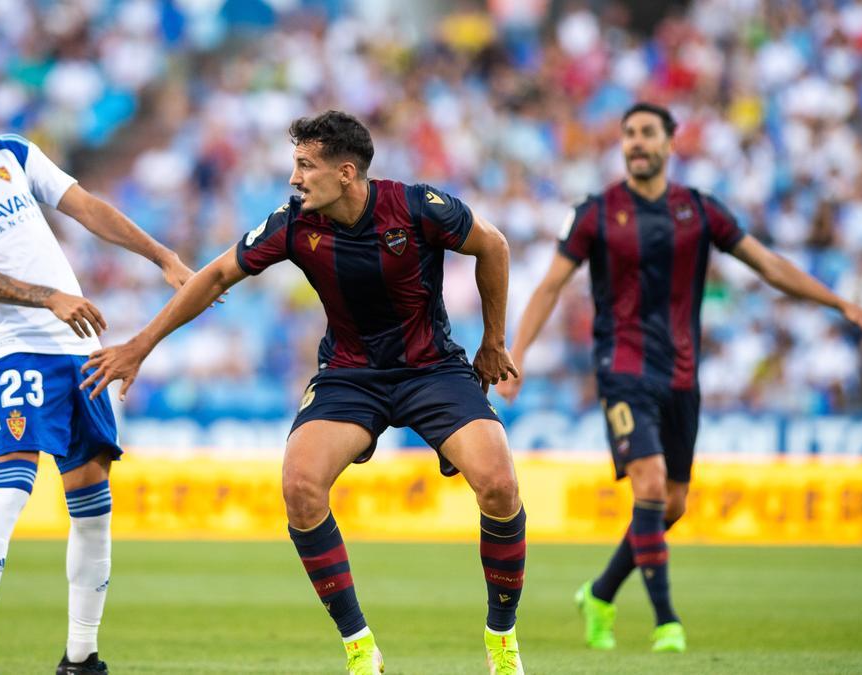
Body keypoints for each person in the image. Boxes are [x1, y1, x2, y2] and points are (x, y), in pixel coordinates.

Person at [80, 110, 527, 674]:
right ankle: (360, 648)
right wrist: (140, 345)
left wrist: (493, 340)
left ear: (345, 173)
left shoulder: (415, 206)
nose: (294, 178)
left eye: (304, 166)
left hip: (432, 368)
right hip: (349, 375)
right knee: (300, 487)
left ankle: (502, 638)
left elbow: (495, 246)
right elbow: (217, 275)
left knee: (499, 484)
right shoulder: (292, 224)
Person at [497, 102, 862, 654]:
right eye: (628, 134)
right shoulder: (596, 212)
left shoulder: (700, 211)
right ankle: (666, 622)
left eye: (647, 134)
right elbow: (550, 287)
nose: (635, 142)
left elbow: (770, 266)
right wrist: (516, 353)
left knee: (672, 505)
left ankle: (601, 593)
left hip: (682, 375)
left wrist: (841, 304)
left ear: (670, 143)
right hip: (621, 369)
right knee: (651, 485)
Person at [0, 64, 200, 675]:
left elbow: (86, 207)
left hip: (80, 354)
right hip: (13, 349)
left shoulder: (8, 153)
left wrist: (162, 255)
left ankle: (82, 656)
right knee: (13, 484)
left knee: (94, 502)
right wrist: (48, 296)